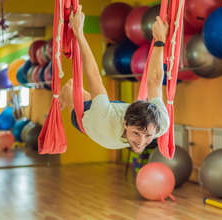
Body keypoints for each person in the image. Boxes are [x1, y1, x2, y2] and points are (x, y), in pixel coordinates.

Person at [60, 5, 169, 154]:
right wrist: (160, 40)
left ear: (154, 131)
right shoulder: (162, 122)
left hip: (87, 119)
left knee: (74, 92)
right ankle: (68, 91)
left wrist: (79, 33)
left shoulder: (104, 120)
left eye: (148, 135)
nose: (141, 142)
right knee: (89, 98)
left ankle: (68, 90)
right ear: (125, 124)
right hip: (113, 111)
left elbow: (93, 77)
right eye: (137, 133)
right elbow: (155, 81)